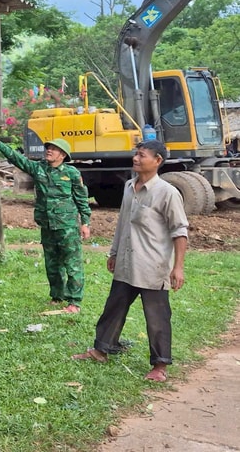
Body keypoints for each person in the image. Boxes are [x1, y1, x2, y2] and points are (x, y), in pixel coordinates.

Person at [72, 140, 188, 382]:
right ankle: (101, 350)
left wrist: (177, 267)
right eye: (135, 154)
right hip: (126, 262)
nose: (136, 158)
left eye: (142, 155)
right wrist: (113, 253)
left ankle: (159, 366)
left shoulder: (167, 193)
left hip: (153, 267)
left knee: (157, 318)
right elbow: (122, 224)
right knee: (113, 309)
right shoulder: (128, 187)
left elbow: (180, 231)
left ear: (157, 161)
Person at [0, 130, 91, 311]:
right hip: (47, 224)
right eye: (48, 147)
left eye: (54, 149)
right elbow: (16, 158)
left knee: (72, 264)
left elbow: (81, 199)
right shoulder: (38, 168)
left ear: (62, 155)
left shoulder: (71, 174)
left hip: (68, 226)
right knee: (52, 263)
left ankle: (74, 301)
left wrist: (85, 223)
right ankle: (57, 296)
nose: (48, 150)